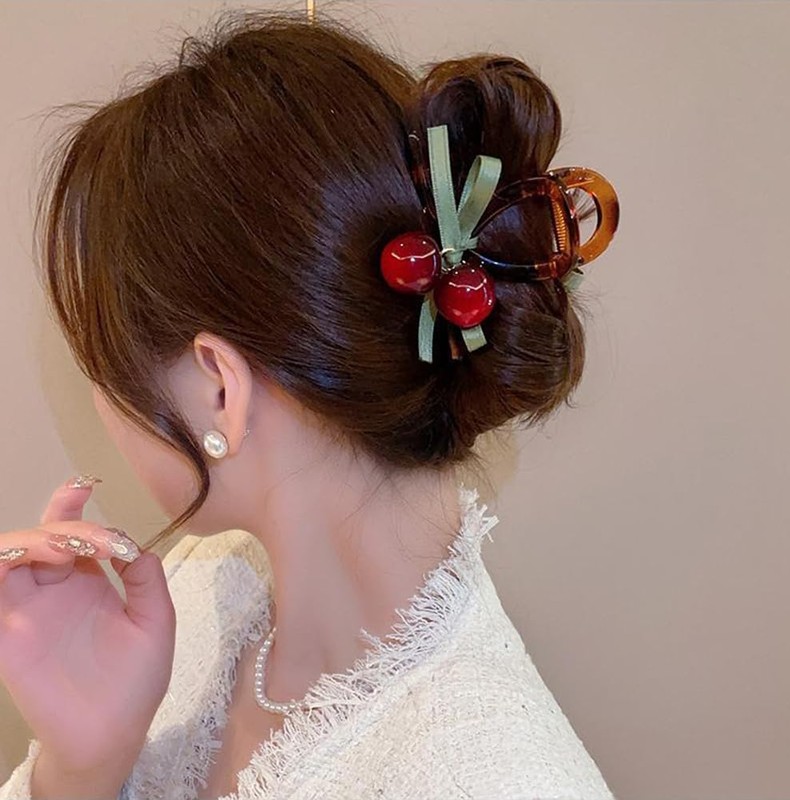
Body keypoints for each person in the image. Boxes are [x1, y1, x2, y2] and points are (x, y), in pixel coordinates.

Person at [0, 8, 620, 800]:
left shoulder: (496, 780)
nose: (102, 398)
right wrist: (83, 768)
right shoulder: (208, 590)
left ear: (220, 390)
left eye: (102, 358)